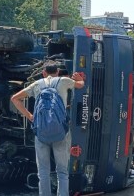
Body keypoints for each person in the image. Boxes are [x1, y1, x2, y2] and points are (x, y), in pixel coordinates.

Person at [11, 63, 85, 196]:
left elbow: (14, 99)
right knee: (62, 172)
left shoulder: (36, 84)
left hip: (41, 132)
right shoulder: (64, 81)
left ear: (44, 73)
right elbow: (80, 85)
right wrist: (79, 78)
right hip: (61, 132)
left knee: (43, 172)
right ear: (57, 72)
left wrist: (30, 116)